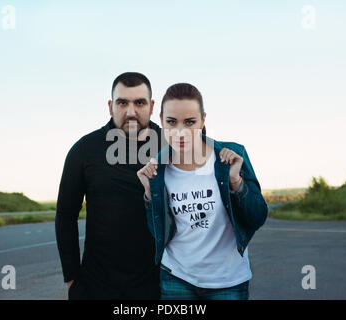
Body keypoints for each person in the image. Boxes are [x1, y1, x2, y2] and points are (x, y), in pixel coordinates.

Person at [137, 83, 268, 300]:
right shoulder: (157, 169)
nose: (180, 132)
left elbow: (257, 217)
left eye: (190, 122)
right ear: (161, 120)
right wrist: (150, 195)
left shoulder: (232, 156)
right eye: (171, 122)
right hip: (176, 278)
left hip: (228, 282)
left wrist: (236, 181)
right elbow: (160, 233)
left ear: (203, 120)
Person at [55, 72, 165, 299]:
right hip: (97, 286)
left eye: (140, 102)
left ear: (152, 106)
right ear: (110, 106)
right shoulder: (85, 149)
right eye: (122, 102)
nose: (131, 111)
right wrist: (72, 279)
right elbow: (66, 216)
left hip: (158, 286)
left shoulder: (170, 147)